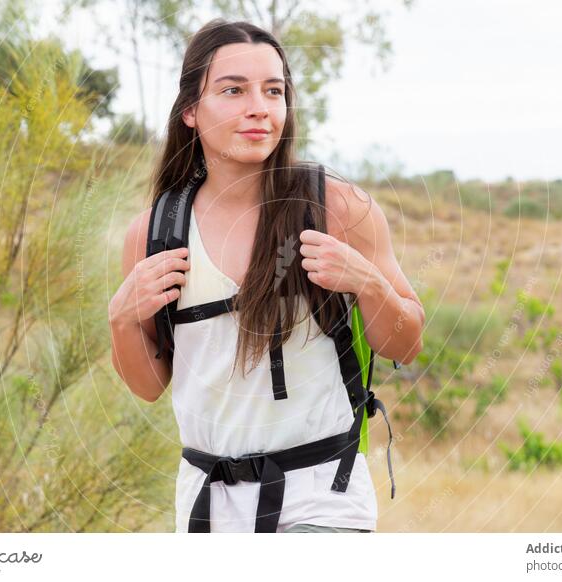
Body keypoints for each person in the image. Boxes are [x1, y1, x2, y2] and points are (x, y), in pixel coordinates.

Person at [108, 18, 424, 533]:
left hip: (323, 497)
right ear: (190, 109)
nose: (259, 107)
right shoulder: (154, 233)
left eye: (272, 91)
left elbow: (406, 344)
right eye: (233, 90)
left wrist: (366, 282)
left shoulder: (336, 207)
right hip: (206, 505)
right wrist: (120, 320)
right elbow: (149, 386)